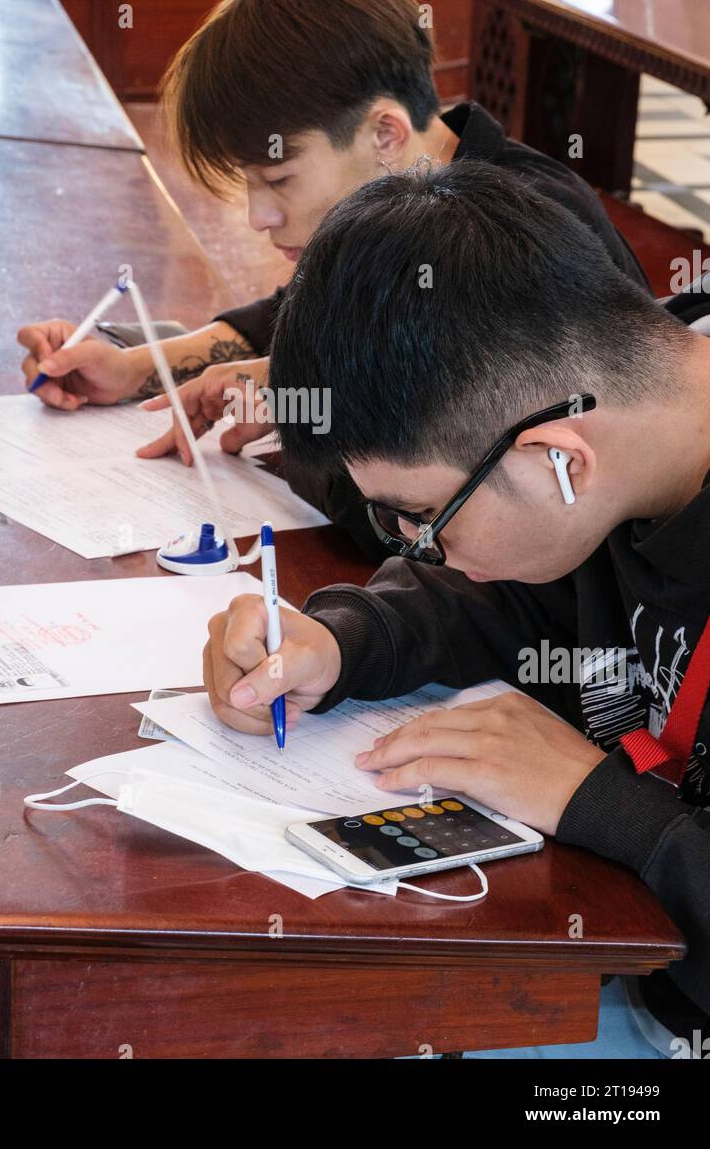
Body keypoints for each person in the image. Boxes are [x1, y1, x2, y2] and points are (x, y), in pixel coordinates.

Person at [202, 159, 710, 1057]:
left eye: (423, 516)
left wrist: (600, 804)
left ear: (558, 459)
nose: (415, 545)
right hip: (613, 955)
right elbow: (521, 597)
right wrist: (347, 640)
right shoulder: (635, 415)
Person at [17, 0, 647, 557]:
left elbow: (404, 517)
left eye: (280, 178)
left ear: (384, 134)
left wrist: (297, 406)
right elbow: (299, 312)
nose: (256, 216)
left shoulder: (515, 238)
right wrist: (141, 367)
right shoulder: (409, 196)